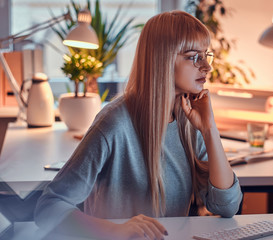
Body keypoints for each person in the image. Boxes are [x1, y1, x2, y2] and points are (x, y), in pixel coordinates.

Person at [34, 10, 242, 240]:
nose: (206, 67)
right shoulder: (114, 122)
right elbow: (49, 207)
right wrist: (115, 230)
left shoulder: (190, 120)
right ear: (163, 59)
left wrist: (210, 129)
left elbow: (226, 206)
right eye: (194, 56)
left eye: (206, 55)